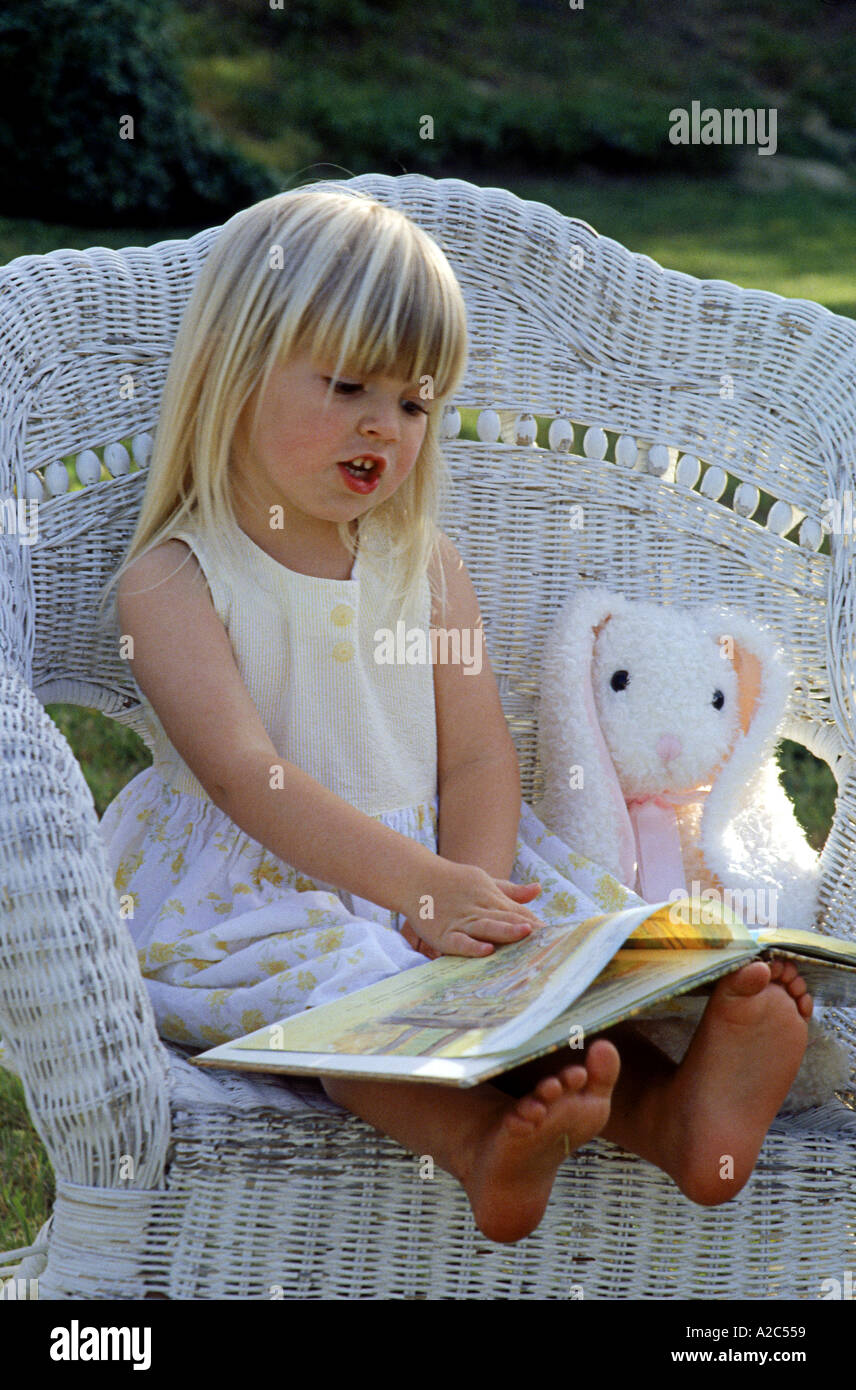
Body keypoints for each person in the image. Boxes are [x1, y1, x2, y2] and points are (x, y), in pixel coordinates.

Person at [97, 186, 812, 1245]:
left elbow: (477, 755)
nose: (384, 425)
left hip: (436, 861)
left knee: (561, 948)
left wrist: (469, 899)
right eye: (347, 387)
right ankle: (479, 1143)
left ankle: (673, 1112)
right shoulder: (174, 581)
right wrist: (412, 890)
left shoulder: (420, 565)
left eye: (416, 401)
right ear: (233, 372)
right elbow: (251, 779)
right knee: (349, 986)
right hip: (262, 887)